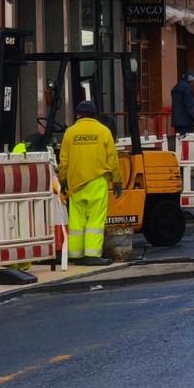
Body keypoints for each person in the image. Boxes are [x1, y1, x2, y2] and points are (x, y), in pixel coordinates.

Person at [58, 100, 121, 266]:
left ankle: (76, 255)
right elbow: (112, 159)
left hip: (76, 182)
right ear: (94, 115)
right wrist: (117, 182)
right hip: (97, 181)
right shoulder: (103, 131)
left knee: (77, 220)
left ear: (78, 114)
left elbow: (63, 161)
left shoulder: (70, 133)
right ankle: (92, 255)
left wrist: (62, 181)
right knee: (95, 218)